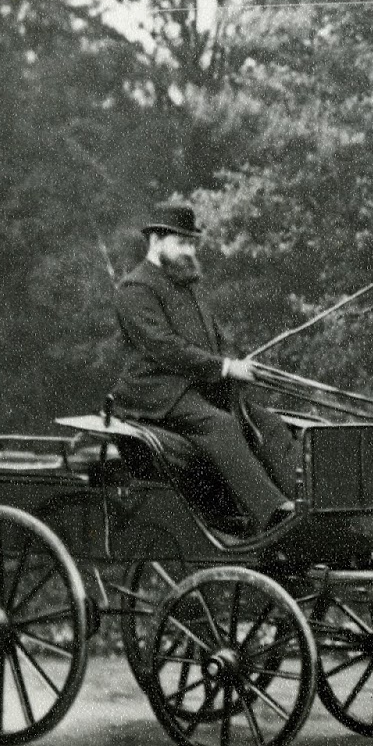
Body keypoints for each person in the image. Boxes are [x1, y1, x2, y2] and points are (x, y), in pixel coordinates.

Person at [109, 201, 299, 533]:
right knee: (220, 424)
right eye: (182, 242)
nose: (189, 251)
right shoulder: (135, 288)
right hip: (156, 393)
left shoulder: (188, 285)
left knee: (268, 423)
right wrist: (225, 367)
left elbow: (214, 338)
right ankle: (273, 515)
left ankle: (303, 503)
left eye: (192, 244)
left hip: (198, 388)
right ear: (156, 240)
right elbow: (164, 347)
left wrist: (237, 364)